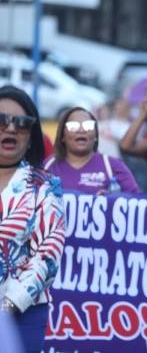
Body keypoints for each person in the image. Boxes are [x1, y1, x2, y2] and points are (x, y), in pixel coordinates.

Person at [0, 85, 65, 353]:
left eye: (22, 123)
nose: (11, 129)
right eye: (1, 120)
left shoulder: (45, 186)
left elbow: (48, 253)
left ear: (31, 135)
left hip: (20, 315)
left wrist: (7, 307)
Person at [44, 107, 139, 194]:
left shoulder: (112, 166)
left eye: (88, 125)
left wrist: (113, 201)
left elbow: (138, 201)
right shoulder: (47, 167)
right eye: (73, 126)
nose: (81, 130)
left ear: (96, 136)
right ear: (62, 136)